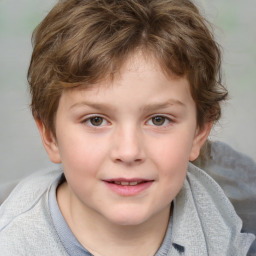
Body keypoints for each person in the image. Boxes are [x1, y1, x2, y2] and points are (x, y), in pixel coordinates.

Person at [0, 0, 255, 255]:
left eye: (158, 120)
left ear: (199, 133)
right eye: (96, 120)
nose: (129, 151)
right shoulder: (13, 244)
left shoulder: (232, 213)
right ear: (49, 135)